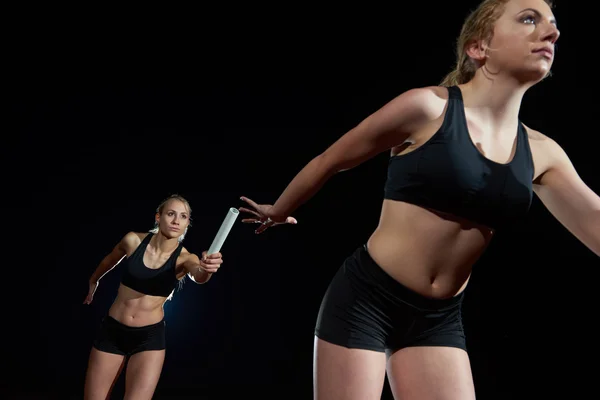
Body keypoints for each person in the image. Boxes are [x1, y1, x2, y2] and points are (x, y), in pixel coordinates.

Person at [238, 0, 600, 398]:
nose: (551, 32)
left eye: (552, 23)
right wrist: (280, 209)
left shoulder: (543, 153)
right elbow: (331, 161)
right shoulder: (428, 108)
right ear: (479, 47)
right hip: (366, 300)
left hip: (438, 319)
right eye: (529, 19)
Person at [82, 194, 224, 400]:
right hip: (112, 332)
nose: (176, 221)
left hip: (148, 340)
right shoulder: (132, 240)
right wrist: (94, 280)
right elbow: (109, 260)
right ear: (158, 217)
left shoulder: (186, 258)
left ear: (187, 225)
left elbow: (199, 275)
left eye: (183, 217)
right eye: (171, 214)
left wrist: (208, 269)